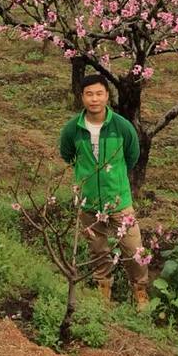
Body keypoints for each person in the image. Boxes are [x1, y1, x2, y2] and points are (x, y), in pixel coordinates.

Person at [58, 74, 149, 309]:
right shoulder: (73, 129)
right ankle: (103, 292)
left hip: (118, 200)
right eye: (89, 94)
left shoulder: (122, 126)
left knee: (133, 248)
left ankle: (140, 291)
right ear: (82, 97)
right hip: (88, 203)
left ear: (107, 96)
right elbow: (67, 154)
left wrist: (113, 178)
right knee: (98, 250)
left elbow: (132, 155)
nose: (94, 99)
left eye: (99, 93)